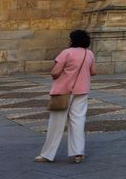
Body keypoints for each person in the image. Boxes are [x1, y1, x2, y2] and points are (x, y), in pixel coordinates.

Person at [36, 29, 96, 164]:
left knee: (56, 123)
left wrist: (62, 74)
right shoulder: (89, 53)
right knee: (78, 121)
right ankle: (78, 152)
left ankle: (47, 154)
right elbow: (93, 72)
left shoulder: (66, 52)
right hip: (82, 91)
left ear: (73, 40)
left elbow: (55, 72)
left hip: (64, 91)